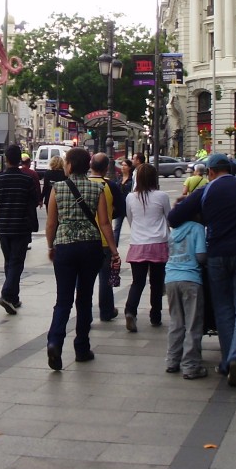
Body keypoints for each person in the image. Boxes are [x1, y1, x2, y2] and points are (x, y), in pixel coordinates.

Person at [168, 153, 236, 387]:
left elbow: (174, 217)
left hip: (218, 255)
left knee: (223, 308)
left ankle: (228, 360)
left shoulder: (207, 190)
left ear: (210, 172)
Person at [45, 147, 121, 370]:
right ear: (87, 165)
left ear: (69, 165)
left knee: (63, 299)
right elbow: (105, 223)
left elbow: (51, 223)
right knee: (84, 298)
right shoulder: (96, 188)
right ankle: (82, 347)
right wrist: (114, 251)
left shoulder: (57, 189)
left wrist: (51, 245)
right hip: (90, 246)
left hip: (65, 246)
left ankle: (54, 341)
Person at [123, 163, 171, 332]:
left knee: (138, 282)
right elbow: (169, 218)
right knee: (157, 283)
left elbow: (130, 219)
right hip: (158, 242)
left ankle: (130, 311)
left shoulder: (130, 197)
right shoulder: (162, 196)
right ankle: (155, 316)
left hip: (138, 243)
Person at [0, 144, 39, 316]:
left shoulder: (0, 180)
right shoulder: (26, 180)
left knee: (9, 261)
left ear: (6, 160)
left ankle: (13, 297)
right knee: (16, 262)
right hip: (21, 226)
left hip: (4, 226)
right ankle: (7, 294)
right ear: (20, 159)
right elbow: (34, 200)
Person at [164, 204, 207, 377]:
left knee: (176, 322)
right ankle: (190, 366)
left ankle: (172, 360)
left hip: (171, 279)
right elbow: (201, 256)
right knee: (193, 324)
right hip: (191, 279)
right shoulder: (197, 228)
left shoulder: (174, 231)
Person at [89, 153, 123, 322]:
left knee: (84, 281)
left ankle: (85, 314)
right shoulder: (110, 186)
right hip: (103, 239)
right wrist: (109, 214)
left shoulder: (83, 184)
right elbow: (121, 210)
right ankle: (106, 311)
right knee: (105, 278)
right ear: (105, 168)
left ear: (91, 165)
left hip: (85, 239)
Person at [113, 160, 133, 244]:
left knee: (133, 227)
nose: (123, 167)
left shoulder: (132, 179)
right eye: (122, 165)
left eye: (125, 165)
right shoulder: (119, 178)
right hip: (120, 206)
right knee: (117, 228)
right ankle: (114, 248)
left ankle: (136, 244)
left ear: (129, 168)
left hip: (129, 206)